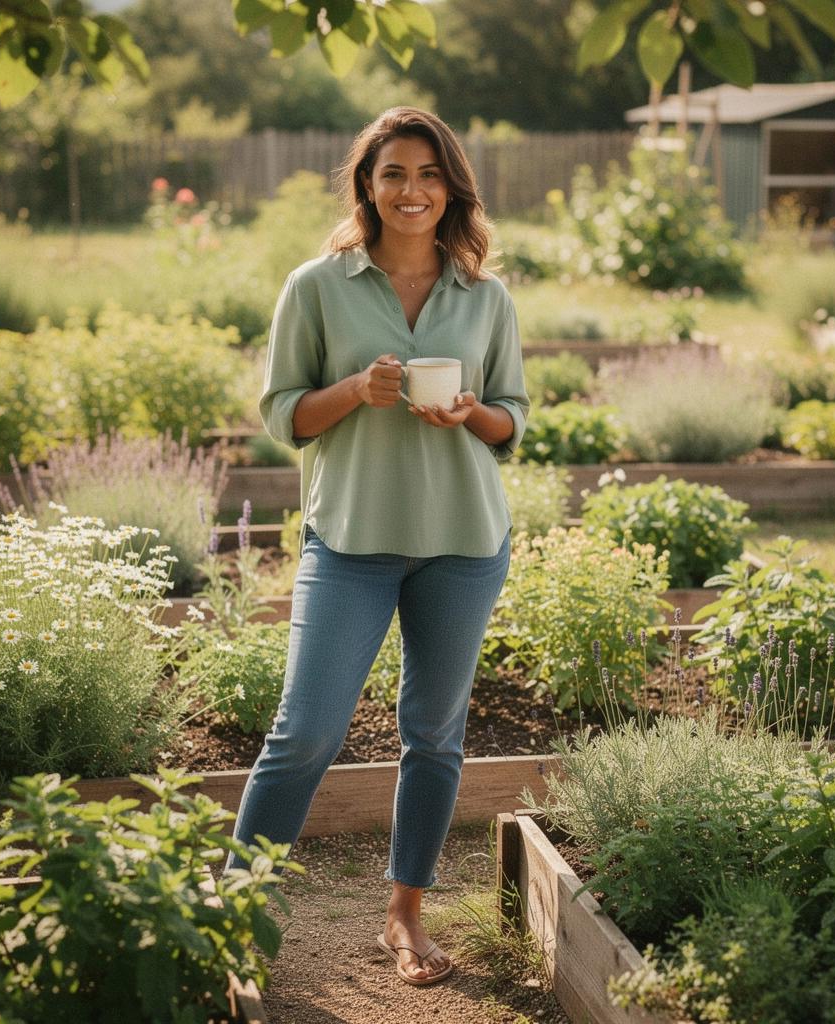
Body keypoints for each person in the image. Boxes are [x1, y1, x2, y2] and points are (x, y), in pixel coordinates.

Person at [229, 107, 529, 987]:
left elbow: (512, 420)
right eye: (393, 173)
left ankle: (405, 916)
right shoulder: (316, 287)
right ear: (367, 185)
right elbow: (284, 414)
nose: (412, 191)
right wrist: (357, 389)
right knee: (304, 732)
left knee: (434, 736)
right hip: (351, 541)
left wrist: (467, 411)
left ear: (452, 189)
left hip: (463, 544)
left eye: (430, 175)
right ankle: (235, 920)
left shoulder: (486, 295)